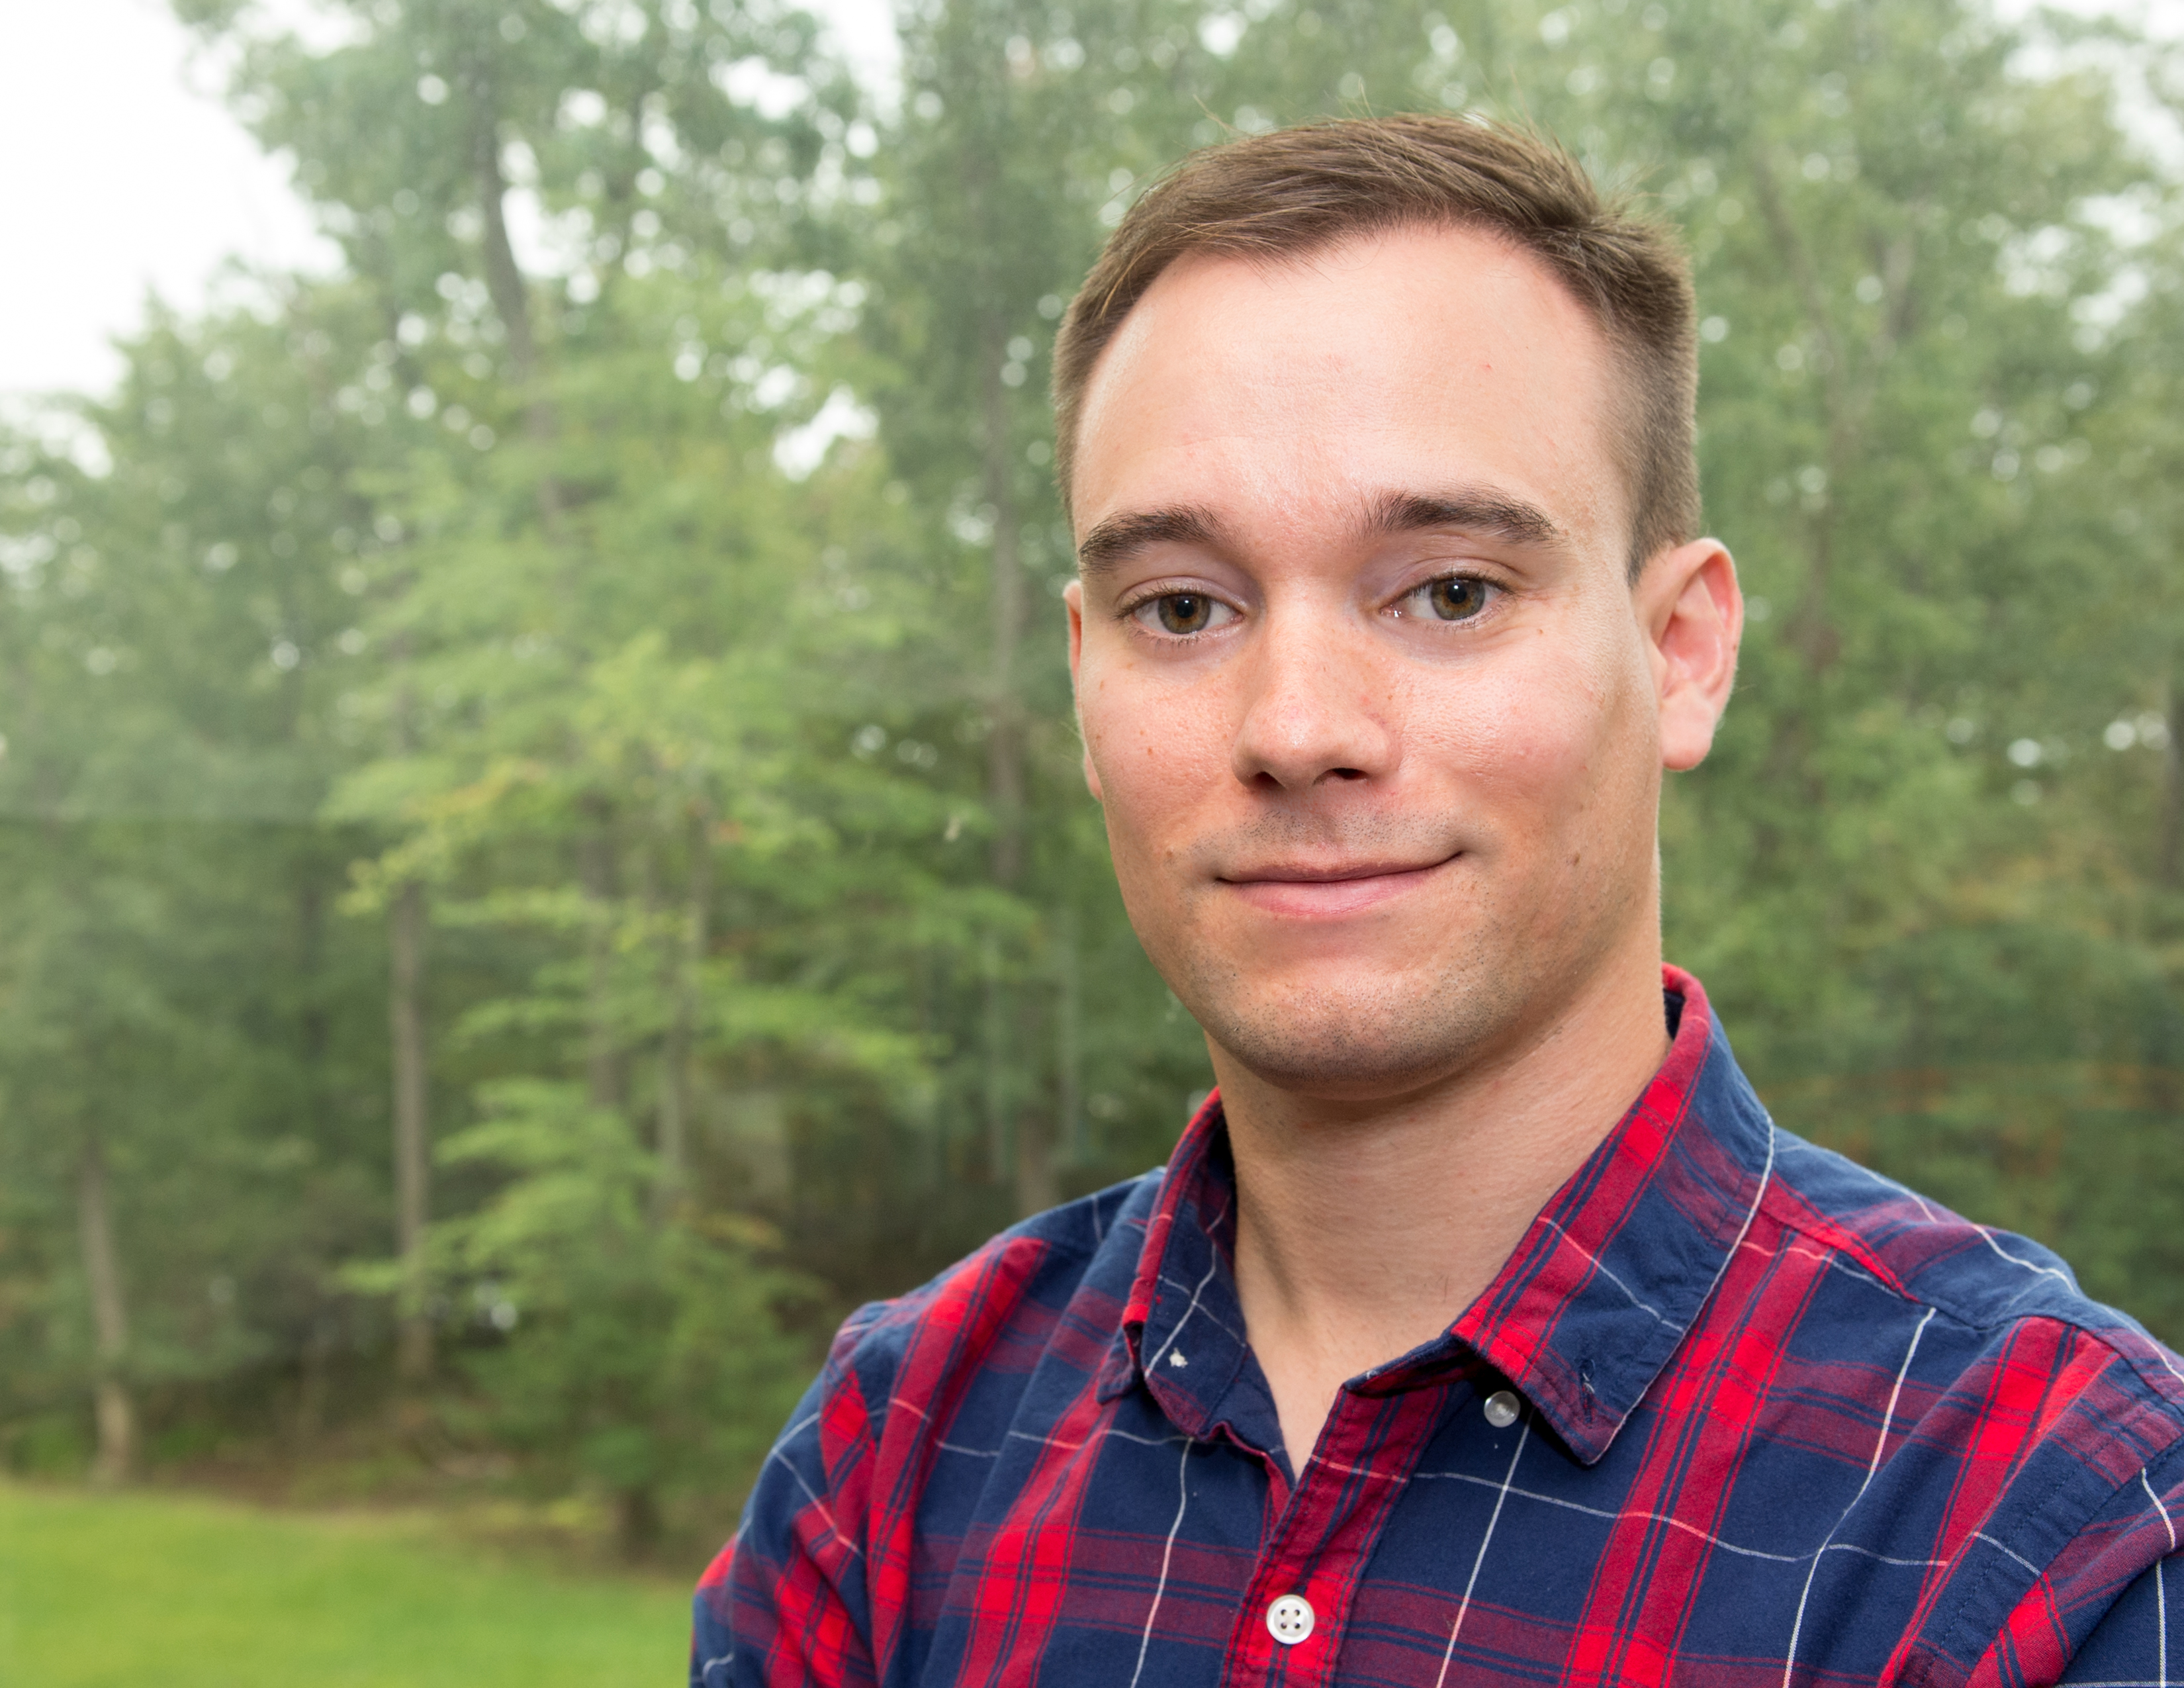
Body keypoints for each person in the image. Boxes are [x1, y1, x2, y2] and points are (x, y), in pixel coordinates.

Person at [692, 115, 2183, 1687]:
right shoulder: (895, 1458)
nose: (1296, 729)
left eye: (1450, 592)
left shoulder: (2051, 1524)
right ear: (1082, 682)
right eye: (1183, 608)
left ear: (1681, 652)